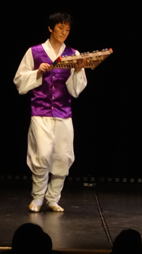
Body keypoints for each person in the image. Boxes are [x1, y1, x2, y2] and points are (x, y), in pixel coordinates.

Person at [14, 12, 88, 213]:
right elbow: (19, 80)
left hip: (63, 113)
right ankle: (38, 197)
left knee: (62, 157)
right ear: (50, 28)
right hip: (41, 112)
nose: (64, 32)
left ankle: (53, 198)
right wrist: (37, 72)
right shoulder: (35, 52)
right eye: (60, 28)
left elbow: (75, 90)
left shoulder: (73, 53)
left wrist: (79, 70)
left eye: (67, 29)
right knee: (42, 155)